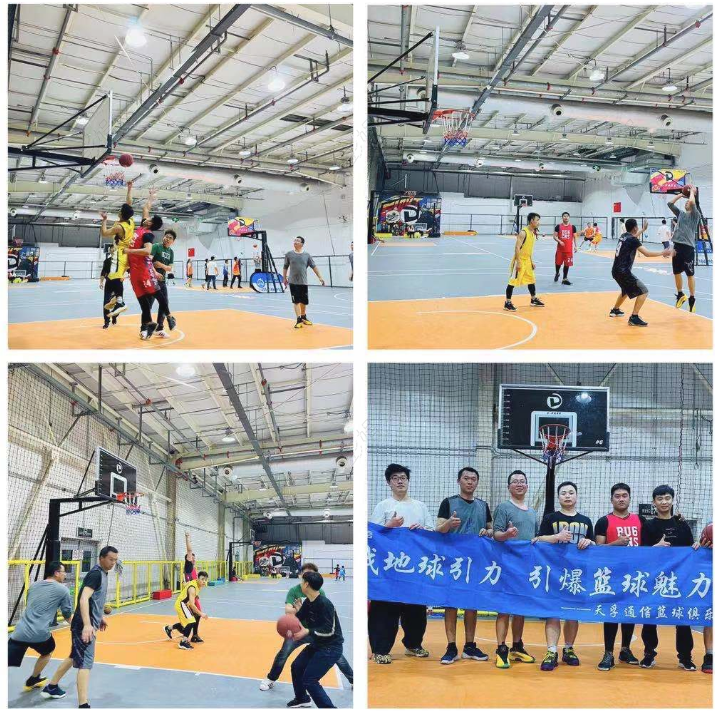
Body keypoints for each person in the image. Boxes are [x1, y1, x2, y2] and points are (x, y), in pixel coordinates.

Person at [369, 463, 434, 664]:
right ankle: (380, 649)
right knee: (385, 610)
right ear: (388, 482)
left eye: (403, 477)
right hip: (389, 570)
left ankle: (413, 645)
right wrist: (389, 526)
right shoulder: (383, 506)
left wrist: (422, 529)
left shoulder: (420, 506)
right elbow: (371, 535)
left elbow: (432, 533)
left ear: (408, 481)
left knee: (416, 610)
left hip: (414, 567)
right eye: (395, 478)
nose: (400, 481)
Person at [41, 546, 118, 707]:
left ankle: (51, 686)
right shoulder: (96, 574)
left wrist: (99, 617)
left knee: (74, 656)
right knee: (85, 663)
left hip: (85, 621)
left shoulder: (103, 573)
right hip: (83, 625)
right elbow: (83, 599)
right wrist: (88, 625)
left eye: (115, 560)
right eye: (110, 559)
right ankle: (83, 704)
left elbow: (93, 600)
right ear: (101, 558)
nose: (113, 563)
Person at [259, 562, 352, 692]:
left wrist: (301, 609)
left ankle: (353, 679)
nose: (307, 577)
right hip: (298, 630)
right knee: (283, 654)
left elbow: (320, 612)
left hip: (315, 631)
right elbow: (287, 610)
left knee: (337, 655)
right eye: (305, 574)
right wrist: (300, 611)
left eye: (311, 574)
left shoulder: (319, 592)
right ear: (302, 576)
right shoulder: (294, 591)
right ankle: (271, 678)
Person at [534, 482, 595, 671]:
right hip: (554, 573)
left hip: (577, 574)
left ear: (576, 496)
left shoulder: (586, 521)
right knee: (553, 612)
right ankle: (551, 650)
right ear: (558, 497)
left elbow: (594, 544)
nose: (567, 496)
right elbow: (538, 539)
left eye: (571, 492)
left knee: (572, 613)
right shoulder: (550, 518)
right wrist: (555, 537)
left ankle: (568, 649)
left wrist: (589, 541)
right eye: (563, 493)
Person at [435, 466, 492, 664]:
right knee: (451, 604)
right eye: (466, 478)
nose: (470, 481)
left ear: (477, 482)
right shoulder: (448, 502)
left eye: (473, 479)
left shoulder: (483, 506)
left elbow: (491, 530)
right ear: (459, 481)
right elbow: (438, 529)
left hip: (475, 562)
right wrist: (448, 524)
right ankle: (451, 647)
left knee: (471, 604)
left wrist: (487, 532)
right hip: (453, 562)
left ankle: (469, 646)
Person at [640, 485, 696, 671]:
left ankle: (685, 657)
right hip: (655, 579)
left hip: (680, 579)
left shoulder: (682, 524)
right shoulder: (648, 526)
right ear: (654, 502)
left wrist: (697, 546)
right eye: (660, 499)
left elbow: (691, 549)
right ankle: (649, 654)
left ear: (672, 500)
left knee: (682, 617)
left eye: (667, 498)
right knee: (650, 616)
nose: (664, 502)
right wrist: (655, 548)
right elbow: (642, 553)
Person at [594, 482, 645, 671]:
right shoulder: (604, 521)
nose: (621, 499)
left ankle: (625, 649)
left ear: (629, 498)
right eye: (617, 496)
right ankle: (608, 653)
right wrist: (615, 543)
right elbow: (598, 549)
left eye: (624, 496)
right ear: (611, 499)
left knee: (629, 612)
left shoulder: (640, 520)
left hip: (634, 575)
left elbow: (649, 546)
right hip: (611, 576)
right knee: (612, 613)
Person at [492, 470, 538, 669]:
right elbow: (496, 534)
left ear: (527, 486)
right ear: (509, 486)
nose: (519, 484)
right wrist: (507, 534)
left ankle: (517, 646)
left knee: (520, 608)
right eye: (515, 481)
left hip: (526, 567)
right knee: (504, 609)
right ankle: (501, 649)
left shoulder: (533, 512)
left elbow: (535, 538)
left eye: (522, 481)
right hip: (507, 565)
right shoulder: (503, 507)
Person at [9, 562, 73, 694]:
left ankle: (34, 679)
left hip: (19, 632)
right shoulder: (63, 590)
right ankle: (33, 679)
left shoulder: (33, 585)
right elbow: (67, 615)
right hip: (39, 633)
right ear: (56, 573)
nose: (65, 575)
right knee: (47, 651)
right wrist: (80, 627)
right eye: (63, 572)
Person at [288, 571, 345, 709]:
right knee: (297, 667)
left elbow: (329, 630)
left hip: (331, 648)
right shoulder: (308, 602)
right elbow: (299, 618)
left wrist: (307, 631)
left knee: (310, 680)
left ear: (306, 584)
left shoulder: (325, 604)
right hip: (318, 644)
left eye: (302, 582)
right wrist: (290, 623)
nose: (301, 584)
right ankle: (302, 699)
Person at [122, 190, 170, 340]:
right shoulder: (143, 226)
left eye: (148, 219)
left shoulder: (147, 234)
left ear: (150, 224)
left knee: (151, 302)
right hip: (138, 272)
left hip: (144, 273)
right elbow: (146, 208)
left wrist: (129, 251)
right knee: (146, 303)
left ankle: (156, 327)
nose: (146, 218)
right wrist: (151, 197)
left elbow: (147, 251)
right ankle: (146, 328)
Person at [609, 218, 672, 327]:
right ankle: (634, 317)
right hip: (623, 272)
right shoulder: (633, 240)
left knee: (625, 290)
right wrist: (662, 253)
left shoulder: (623, 236)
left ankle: (615, 310)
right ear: (635, 228)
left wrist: (643, 230)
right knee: (643, 291)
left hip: (615, 270)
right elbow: (647, 253)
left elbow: (633, 237)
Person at [98, 181, 135, 321]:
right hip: (125, 253)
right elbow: (129, 202)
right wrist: (129, 188)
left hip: (120, 254)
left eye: (120, 210)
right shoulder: (130, 220)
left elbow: (104, 233)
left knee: (114, 277)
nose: (119, 210)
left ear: (121, 214)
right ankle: (117, 300)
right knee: (114, 277)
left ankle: (120, 302)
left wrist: (104, 220)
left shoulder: (119, 227)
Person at [668, 184, 701, 312]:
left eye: (688, 202)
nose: (687, 202)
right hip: (677, 246)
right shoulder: (681, 214)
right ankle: (680, 294)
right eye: (686, 202)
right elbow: (670, 204)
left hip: (688, 248)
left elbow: (692, 202)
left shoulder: (695, 215)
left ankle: (692, 298)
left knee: (689, 274)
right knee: (676, 272)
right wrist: (681, 195)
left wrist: (691, 192)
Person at [504, 212, 545, 311]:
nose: (538, 222)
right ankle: (507, 303)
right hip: (520, 260)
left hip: (527, 260)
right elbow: (517, 248)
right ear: (531, 221)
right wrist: (518, 262)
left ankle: (533, 299)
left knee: (531, 279)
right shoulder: (523, 232)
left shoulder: (533, 233)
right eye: (537, 220)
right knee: (513, 281)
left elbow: (528, 249)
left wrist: (531, 261)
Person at [283, 236, 326, 329]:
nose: (295, 242)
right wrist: (284, 278)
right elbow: (285, 267)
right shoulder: (289, 254)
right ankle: (298, 320)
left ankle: (303, 317)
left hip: (303, 282)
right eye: (294, 240)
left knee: (304, 301)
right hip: (293, 282)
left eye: (297, 241)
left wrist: (320, 277)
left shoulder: (307, 255)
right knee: (296, 301)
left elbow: (314, 266)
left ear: (302, 244)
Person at [165, 571, 209, 649]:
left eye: (205, 580)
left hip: (185, 604)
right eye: (202, 579)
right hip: (181, 604)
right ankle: (183, 642)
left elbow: (186, 586)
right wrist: (201, 613)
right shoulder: (192, 588)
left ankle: (169, 628)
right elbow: (192, 604)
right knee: (191, 621)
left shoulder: (198, 585)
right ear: (197, 579)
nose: (204, 581)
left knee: (190, 622)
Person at [151, 229, 177, 338]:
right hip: (151, 280)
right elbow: (148, 262)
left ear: (173, 241)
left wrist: (160, 265)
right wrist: (155, 271)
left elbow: (170, 268)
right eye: (166, 236)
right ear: (163, 237)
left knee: (164, 303)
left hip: (162, 281)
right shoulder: (156, 246)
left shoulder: (171, 252)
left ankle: (160, 328)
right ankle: (144, 328)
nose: (167, 239)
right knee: (148, 305)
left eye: (170, 238)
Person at [699, 525, 713, 673]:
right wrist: (699, 548)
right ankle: (709, 655)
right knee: (710, 616)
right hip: (709, 577)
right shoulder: (710, 529)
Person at [553, 212, 580, 285]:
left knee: (567, 264)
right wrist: (559, 241)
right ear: (562, 217)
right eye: (564, 216)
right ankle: (557, 273)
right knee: (558, 263)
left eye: (567, 216)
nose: (566, 217)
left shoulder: (573, 227)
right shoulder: (558, 226)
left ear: (569, 217)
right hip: (560, 250)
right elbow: (554, 236)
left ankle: (564, 278)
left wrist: (576, 246)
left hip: (568, 250)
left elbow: (575, 237)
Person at [99, 249, 120, 329]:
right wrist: (101, 282)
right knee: (106, 304)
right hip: (109, 285)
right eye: (112, 250)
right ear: (110, 251)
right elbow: (103, 272)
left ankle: (114, 315)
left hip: (118, 285)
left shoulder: (121, 261)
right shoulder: (107, 261)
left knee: (119, 304)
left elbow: (128, 269)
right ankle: (106, 321)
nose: (114, 251)